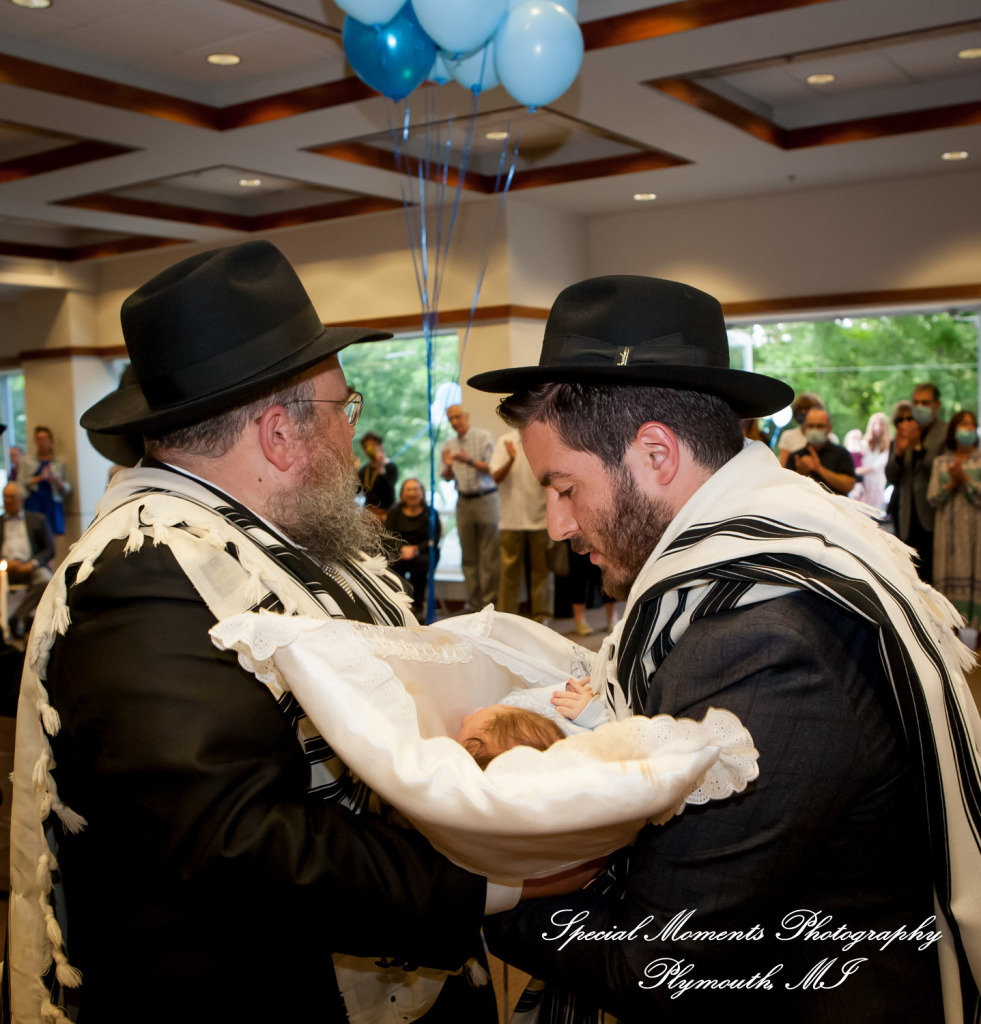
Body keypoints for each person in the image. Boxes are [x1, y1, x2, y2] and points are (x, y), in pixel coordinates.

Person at [9, 241, 595, 1024]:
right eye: (343, 409)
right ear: (281, 433)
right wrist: (488, 881)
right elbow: (234, 842)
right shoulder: (148, 572)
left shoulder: (270, 542)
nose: (353, 436)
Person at [469, 275, 981, 1021]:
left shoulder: (765, 642)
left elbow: (657, 959)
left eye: (564, 487)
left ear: (654, 454)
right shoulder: (760, 556)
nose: (555, 524)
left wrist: (469, 888)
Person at [928, 410, 981, 647]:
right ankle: (951, 630)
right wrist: (951, 483)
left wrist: (966, 480)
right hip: (948, 531)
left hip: (975, 530)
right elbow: (932, 498)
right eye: (963, 425)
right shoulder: (941, 462)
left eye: (971, 425)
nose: (967, 430)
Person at [886, 383, 947, 582]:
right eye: (916, 402)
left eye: (925, 402)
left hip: (935, 516)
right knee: (910, 576)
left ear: (936, 405)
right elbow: (891, 476)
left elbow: (942, 473)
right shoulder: (903, 431)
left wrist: (918, 447)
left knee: (934, 576)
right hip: (905, 516)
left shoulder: (946, 433)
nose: (919, 406)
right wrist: (900, 453)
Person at [441, 405, 499, 611]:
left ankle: (489, 604)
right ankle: (473, 604)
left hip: (486, 498)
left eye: (457, 417)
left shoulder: (484, 437)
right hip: (463, 501)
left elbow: (493, 469)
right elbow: (446, 476)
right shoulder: (449, 444)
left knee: (489, 556)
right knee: (468, 557)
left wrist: (468, 461)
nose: (455, 422)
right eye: (451, 419)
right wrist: (448, 465)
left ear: (466, 416)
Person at [490, 429, 550, 620]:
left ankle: (542, 616)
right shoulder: (505, 441)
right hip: (511, 519)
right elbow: (495, 477)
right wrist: (510, 459)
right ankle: (506, 617)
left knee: (541, 572)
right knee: (508, 573)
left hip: (540, 517)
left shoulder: (543, 438)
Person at [385, 477, 441, 618]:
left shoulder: (431, 513)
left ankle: (417, 606)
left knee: (420, 565)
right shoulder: (394, 513)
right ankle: (398, 604)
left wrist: (416, 550)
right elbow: (387, 536)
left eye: (416, 489)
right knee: (394, 565)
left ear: (422, 492)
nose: (412, 493)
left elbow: (434, 538)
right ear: (402, 493)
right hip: (399, 551)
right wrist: (402, 549)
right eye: (408, 489)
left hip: (423, 552)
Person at [789, 406, 857, 495]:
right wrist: (800, 473)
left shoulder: (842, 454)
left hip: (835, 507)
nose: (815, 430)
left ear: (829, 428)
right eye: (811, 426)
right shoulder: (796, 457)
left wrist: (819, 469)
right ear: (805, 428)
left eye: (819, 426)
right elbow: (786, 489)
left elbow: (849, 485)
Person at [21, 425, 72, 537]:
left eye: (44, 439)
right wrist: (39, 478)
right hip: (34, 503)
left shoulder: (59, 462)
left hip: (52, 503)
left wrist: (56, 480)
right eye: (38, 439)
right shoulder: (28, 461)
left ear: (50, 440)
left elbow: (68, 488)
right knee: (34, 534)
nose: (41, 442)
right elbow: (20, 485)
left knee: (55, 537)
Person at [0, 482, 54, 586]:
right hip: (4, 568)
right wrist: (4, 564)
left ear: (22, 500)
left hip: (30, 567)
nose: (7, 501)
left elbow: (49, 549)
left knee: (45, 580)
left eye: (11, 497)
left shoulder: (37, 519)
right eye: (5, 497)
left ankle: (26, 603)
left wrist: (33, 563)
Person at [776, 391, 824, 467]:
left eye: (808, 409)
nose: (803, 412)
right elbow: (783, 466)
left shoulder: (828, 438)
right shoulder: (788, 436)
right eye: (800, 409)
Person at [856, 410, 892, 510]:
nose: (877, 427)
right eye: (875, 423)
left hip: (876, 487)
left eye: (880, 424)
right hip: (863, 486)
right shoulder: (864, 444)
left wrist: (856, 471)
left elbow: (875, 467)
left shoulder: (888, 448)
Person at [358, 430, 398, 516]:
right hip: (369, 514)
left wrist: (380, 469)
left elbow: (389, 491)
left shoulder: (390, 467)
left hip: (388, 513)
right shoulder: (364, 470)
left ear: (381, 446)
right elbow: (357, 491)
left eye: (373, 445)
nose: (369, 448)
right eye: (366, 446)